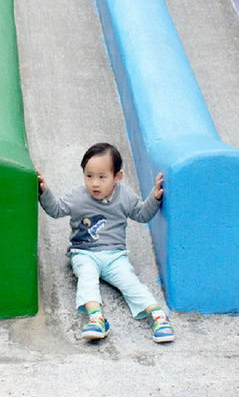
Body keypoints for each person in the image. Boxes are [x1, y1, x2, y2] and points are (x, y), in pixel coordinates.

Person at [36, 142, 174, 343]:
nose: (95, 183)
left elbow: (142, 215)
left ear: (117, 177)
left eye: (102, 177)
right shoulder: (78, 196)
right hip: (84, 252)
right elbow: (56, 210)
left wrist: (154, 198)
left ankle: (158, 316)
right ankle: (96, 318)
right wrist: (44, 191)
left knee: (130, 283)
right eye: (89, 176)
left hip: (114, 255)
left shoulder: (125, 195)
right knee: (87, 278)